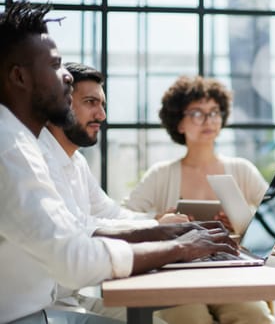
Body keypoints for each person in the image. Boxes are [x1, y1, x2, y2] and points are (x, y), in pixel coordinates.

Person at [0, 0, 238, 324]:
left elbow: (92, 223)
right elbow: (76, 257)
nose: (66, 76)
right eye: (55, 65)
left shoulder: (23, 143)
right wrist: (179, 245)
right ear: (19, 77)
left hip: (47, 307)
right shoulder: (11, 149)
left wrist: (166, 230)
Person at [38, 61, 189, 321]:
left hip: (68, 299)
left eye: (102, 104)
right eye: (90, 102)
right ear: (59, 105)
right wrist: (156, 231)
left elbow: (109, 212)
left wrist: (155, 222)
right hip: (42, 306)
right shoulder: (39, 157)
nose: (102, 115)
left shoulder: (76, 162)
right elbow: (80, 227)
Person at [123, 75, 273, 324]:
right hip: (176, 274)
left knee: (254, 316)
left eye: (214, 112)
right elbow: (124, 216)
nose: (208, 120)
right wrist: (158, 220)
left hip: (229, 272)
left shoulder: (241, 169)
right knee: (191, 319)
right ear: (179, 123)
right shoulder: (162, 174)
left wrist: (242, 222)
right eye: (197, 113)